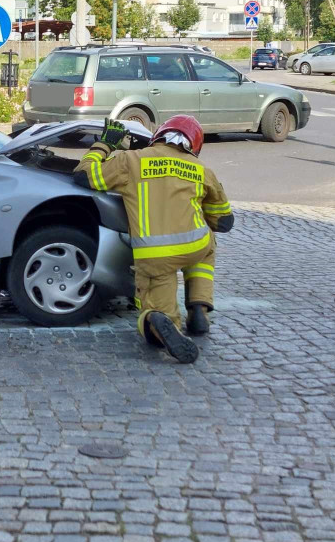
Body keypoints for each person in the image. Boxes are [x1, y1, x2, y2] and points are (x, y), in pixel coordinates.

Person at [73, 115, 234, 363]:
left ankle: (157, 320)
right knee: (208, 242)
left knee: (158, 307)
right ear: (194, 145)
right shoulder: (202, 170)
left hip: (154, 256)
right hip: (194, 247)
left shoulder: (131, 161)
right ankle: (199, 307)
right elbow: (223, 221)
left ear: (158, 136)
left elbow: (85, 175)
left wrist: (105, 144)